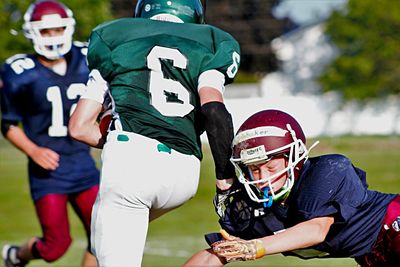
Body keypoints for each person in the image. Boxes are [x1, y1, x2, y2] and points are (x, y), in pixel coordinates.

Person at [68, 0, 240, 266]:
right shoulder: (211, 42)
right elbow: (214, 111)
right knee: (111, 232)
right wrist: (225, 177)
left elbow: (79, 127)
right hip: (184, 174)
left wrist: (112, 134)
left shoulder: (116, 37)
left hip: (131, 162)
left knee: (111, 239)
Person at [184, 109, 400, 267]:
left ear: (293, 160)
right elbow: (214, 255)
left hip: (394, 225)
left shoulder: (325, 172)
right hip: (369, 254)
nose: (263, 178)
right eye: (254, 170)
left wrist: (256, 247)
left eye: (271, 166)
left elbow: (316, 230)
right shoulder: (252, 210)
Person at [0, 1, 100, 266]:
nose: (53, 36)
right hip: (49, 173)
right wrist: (33, 150)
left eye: (58, 29)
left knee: (102, 235)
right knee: (56, 247)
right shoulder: (18, 72)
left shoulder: (87, 59)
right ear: (32, 33)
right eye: (46, 31)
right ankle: (15, 255)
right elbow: (8, 124)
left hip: (83, 164)